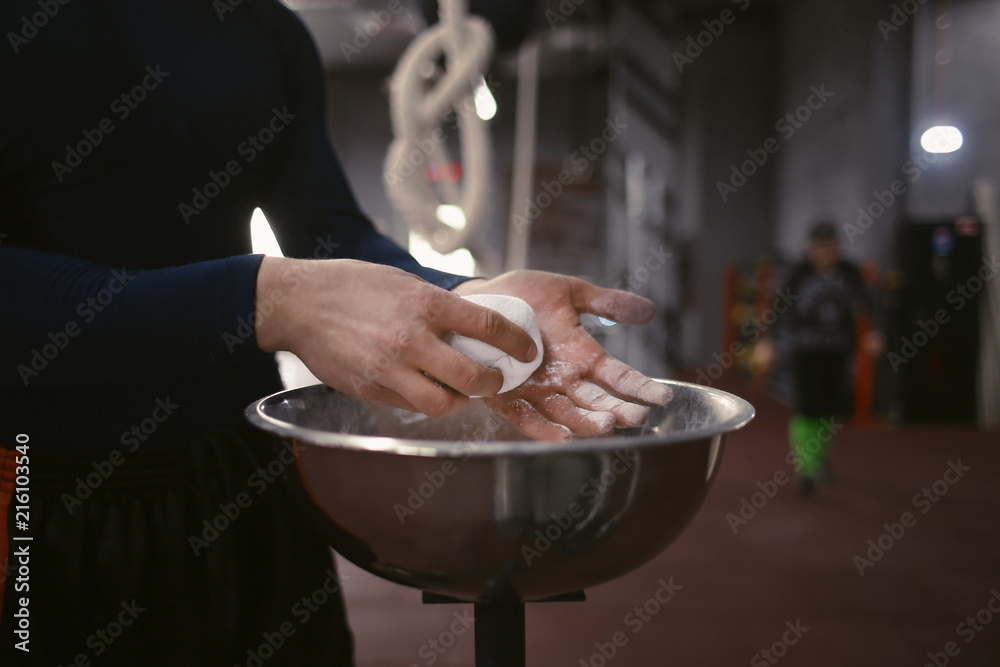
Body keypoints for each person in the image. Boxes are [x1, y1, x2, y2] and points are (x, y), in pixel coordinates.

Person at [0, 1, 669, 664]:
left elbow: (328, 231)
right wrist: (264, 299)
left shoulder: (261, 28)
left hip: (247, 487)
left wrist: (461, 302)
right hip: (36, 493)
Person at [756, 222, 883, 495]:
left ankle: (819, 460)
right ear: (810, 250)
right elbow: (777, 308)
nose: (826, 253)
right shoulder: (798, 274)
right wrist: (767, 342)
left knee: (830, 410)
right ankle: (807, 467)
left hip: (838, 351)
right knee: (808, 407)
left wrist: (874, 331)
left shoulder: (850, 272)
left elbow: (869, 302)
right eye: (820, 247)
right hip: (805, 351)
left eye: (831, 247)